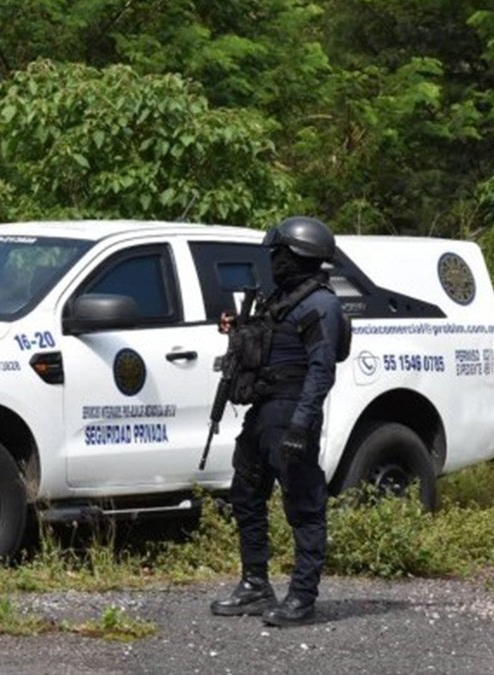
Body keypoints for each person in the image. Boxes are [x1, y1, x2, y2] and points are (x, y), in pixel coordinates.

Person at [209, 216, 347, 627]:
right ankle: (255, 585)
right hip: (263, 411)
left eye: (280, 253)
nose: (274, 259)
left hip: (291, 411)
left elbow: (322, 371)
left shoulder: (320, 304)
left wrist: (302, 426)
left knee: (304, 504)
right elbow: (269, 338)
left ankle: (302, 597)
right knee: (245, 493)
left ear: (299, 256)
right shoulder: (283, 297)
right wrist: (238, 328)